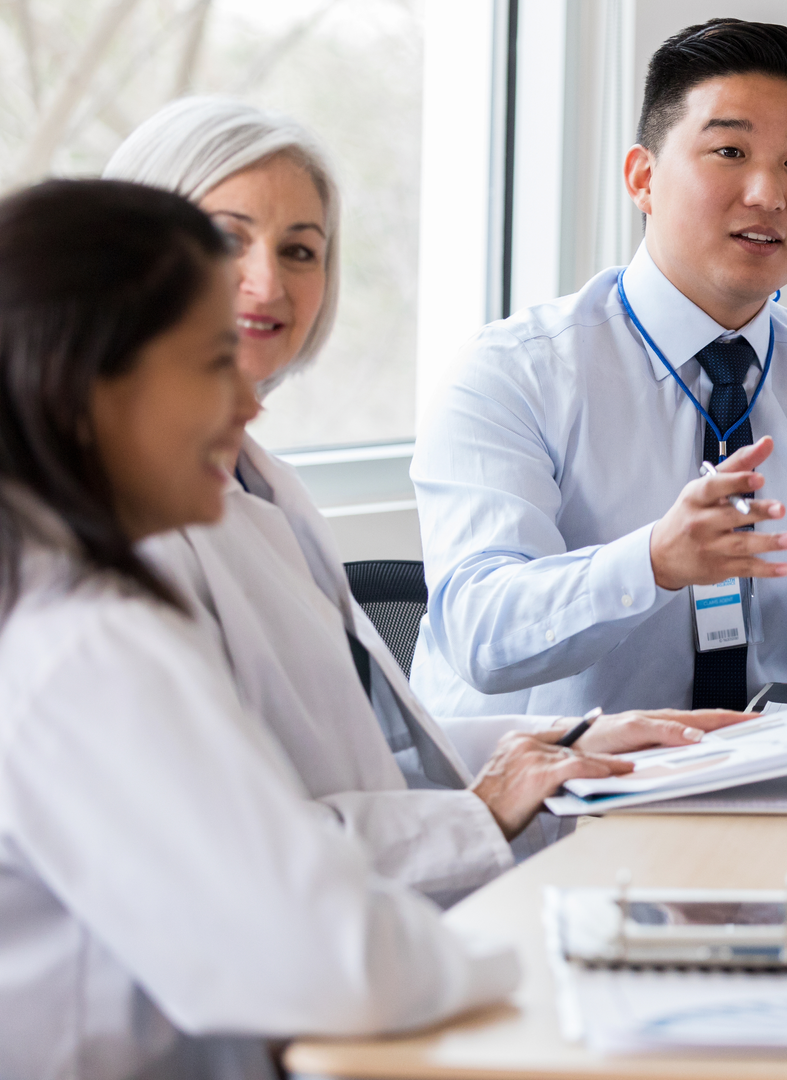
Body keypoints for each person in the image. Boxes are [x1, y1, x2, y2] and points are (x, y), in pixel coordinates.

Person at [105, 98, 750, 903]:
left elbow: (366, 752)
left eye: (300, 250)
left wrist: (568, 739)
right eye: (227, 239)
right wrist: (483, 811)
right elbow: (215, 849)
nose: (268, 283)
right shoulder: (114, 522)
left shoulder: (264, 484)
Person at [0, 179, 515, 1080]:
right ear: (82, 384)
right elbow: (331, 964)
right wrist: (524, 965)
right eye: (212, 363)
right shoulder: (85, 644)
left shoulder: (70, 605)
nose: (250, 402)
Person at [409, 18, 787, 718]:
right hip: (539, 784)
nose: (768, 194)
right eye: (730, 151)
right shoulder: (512, 375)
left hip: (765, 778)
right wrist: (653, 562)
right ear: (643, 178)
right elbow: (481, 631)